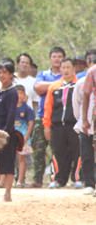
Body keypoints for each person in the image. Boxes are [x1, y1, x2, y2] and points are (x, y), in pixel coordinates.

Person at [31, 46, 65, 188]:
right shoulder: (43, 74)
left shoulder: (67, 74)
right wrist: (57, 84)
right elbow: (38, 88)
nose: (57, 59)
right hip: (42, 117)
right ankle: (37, 180)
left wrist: (49, 86)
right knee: (38, 149)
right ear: (50, 58)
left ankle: (55, 179)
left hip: (59, 118)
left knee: (57, 150)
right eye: (54, 56)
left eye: (60, 56)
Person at [43, 58, 80, 189]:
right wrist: (46, 126)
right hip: (57, 126)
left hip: (74, 125)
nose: (65, 70)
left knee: (77, 152)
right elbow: (48, 108)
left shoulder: (79, 85)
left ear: (73, 69)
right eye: (63, 67)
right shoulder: (54, 87)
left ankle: (77, 178)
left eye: (68, 67)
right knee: (58, 152)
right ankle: (58, 179)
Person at [0, 63, 18, 201]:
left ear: (11, 74)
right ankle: (2, 184)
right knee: (0, 160)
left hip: (7, 132)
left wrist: (6, 132)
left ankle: (8, 192)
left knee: (9, 161)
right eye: (0, 72)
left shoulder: (12, 92)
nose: (2, 75)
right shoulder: (1, 90)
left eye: (5, 72)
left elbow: (11, 114)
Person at [72, 56, 95, 195]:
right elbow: (79, 101)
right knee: (86, 154)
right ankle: (89, 183)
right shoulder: (82, 81)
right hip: (87, 120)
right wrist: (83, 119)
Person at [14, 85, 34, 188]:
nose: (19, 96)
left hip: (23, 136)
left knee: (22, 158)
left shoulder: (27, 109)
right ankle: (9, 179)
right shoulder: (10, 108)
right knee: (11, 158)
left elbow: (31, 123)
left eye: (21, 93)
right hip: (12, 136)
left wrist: (27, 136)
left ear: (24, 95)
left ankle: (20, 180)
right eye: (17, 93)